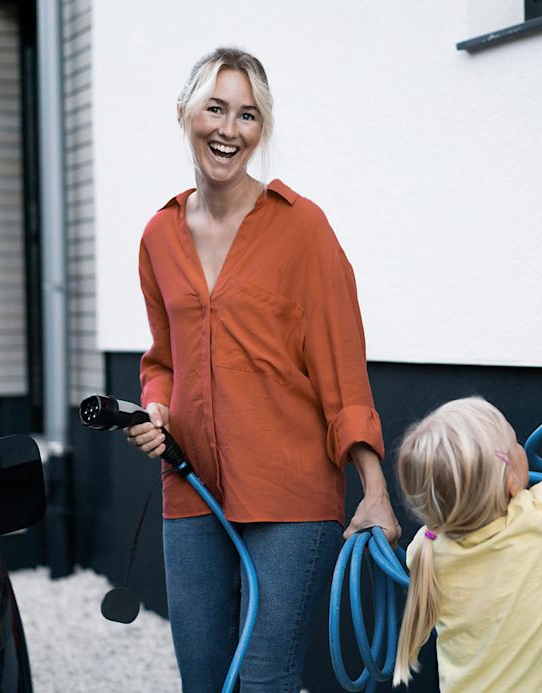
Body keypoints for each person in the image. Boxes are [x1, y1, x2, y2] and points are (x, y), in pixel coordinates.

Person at [123, 47, 401, 692]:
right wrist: (156, 404)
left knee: (264, 676)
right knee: (203, 677)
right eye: (215, 109)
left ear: (262, 128)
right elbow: (162, 359)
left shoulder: (303, 228)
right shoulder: (157, 235)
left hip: (289, 489)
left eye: (247, 116)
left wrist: (374, 489)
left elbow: (341, 367)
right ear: (183, 114)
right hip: (190, 484)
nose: (229, 129)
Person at [392, 279, 542, 692]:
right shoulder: (535, 517)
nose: (522, 446)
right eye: (515, 443)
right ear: (512, 481)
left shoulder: (425, 550)